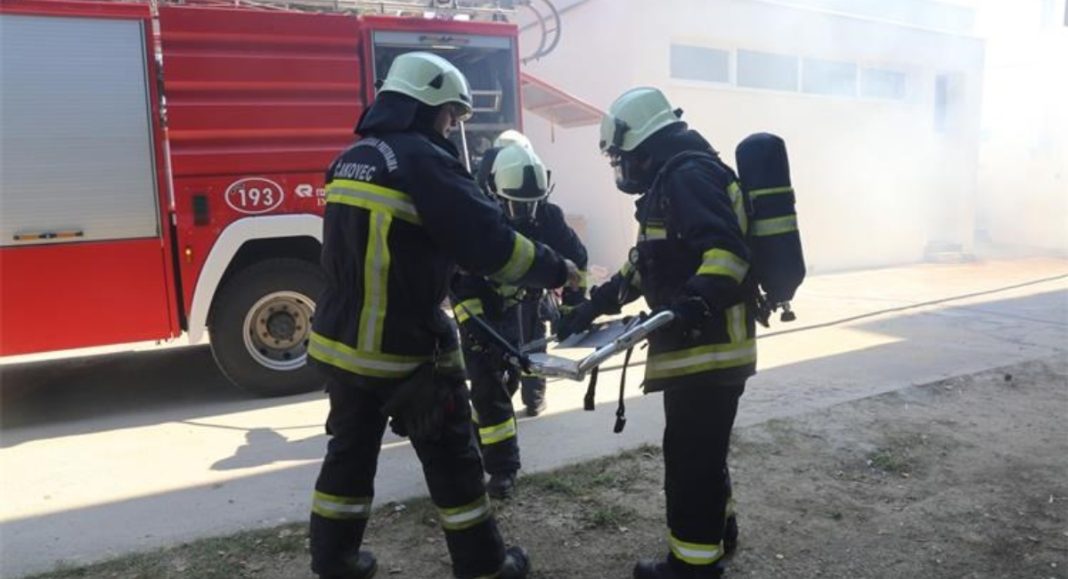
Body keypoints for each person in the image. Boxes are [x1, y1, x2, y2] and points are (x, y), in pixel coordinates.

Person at [307, 51, 580, 579]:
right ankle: (484, 566)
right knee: (453, 460)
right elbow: (492, 244)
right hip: (404, 350)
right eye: (451, 115)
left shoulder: (352, 157)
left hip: (341, 345)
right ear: (427, 107)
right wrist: (557, 270)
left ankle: (334, 561)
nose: (452, 126)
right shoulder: (423, 161)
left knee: (349, 456)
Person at [557, 87, 754, 579]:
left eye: (622, 157)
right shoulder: (674, 179)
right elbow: (645, 267)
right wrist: (592, 307)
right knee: (703, 454)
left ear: (643, 147)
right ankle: (717, 533)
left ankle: (692, 567)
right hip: (699, 351)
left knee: (690, 462)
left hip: (708, 352)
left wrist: (692, 305)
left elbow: (728, 254)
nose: (621, 167)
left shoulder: (689, 178)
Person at [452, 140, 588, 499]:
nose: (527, 213)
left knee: (511, 378)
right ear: (494, 191)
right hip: (483, 308)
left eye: (534, 204)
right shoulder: (475, 216)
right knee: (489, 385)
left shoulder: (549, 217)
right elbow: (459, 280)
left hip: (524, 304)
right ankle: (502, 471)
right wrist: (474, 325)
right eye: (518, 204)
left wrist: (574, 311)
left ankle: (476, 435)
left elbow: (578, 261)